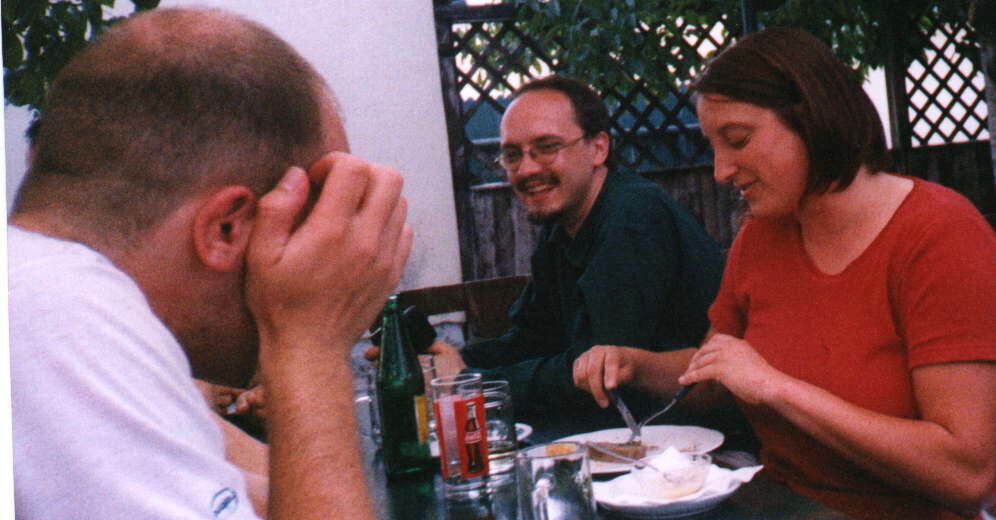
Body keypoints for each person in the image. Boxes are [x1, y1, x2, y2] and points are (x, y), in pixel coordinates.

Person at [573, 27, 996, 519]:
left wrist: (779, 388)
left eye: (738, 139)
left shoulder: (939, 235)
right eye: (713, 145)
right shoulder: (761, 237)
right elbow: (717, 379)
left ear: (812, 119)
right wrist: (636, 365)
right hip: (778, 505)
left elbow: (967, 475)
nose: (720, 170)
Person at [9, 7, 412, 520]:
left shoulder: (43, 294)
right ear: (227, 229)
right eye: (309, 222)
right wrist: (311, 344)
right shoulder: (60, 317)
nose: (325, 251)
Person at [417, 75, 728, 433]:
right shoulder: (563, 224)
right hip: (631, 433)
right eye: (512, 155)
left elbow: (595, 377)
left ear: (598, 149)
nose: (527, 169)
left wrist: (470, 382)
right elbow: (532, 339)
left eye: (547, 147)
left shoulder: (632, 217)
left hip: (698, 442)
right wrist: (445, 362)